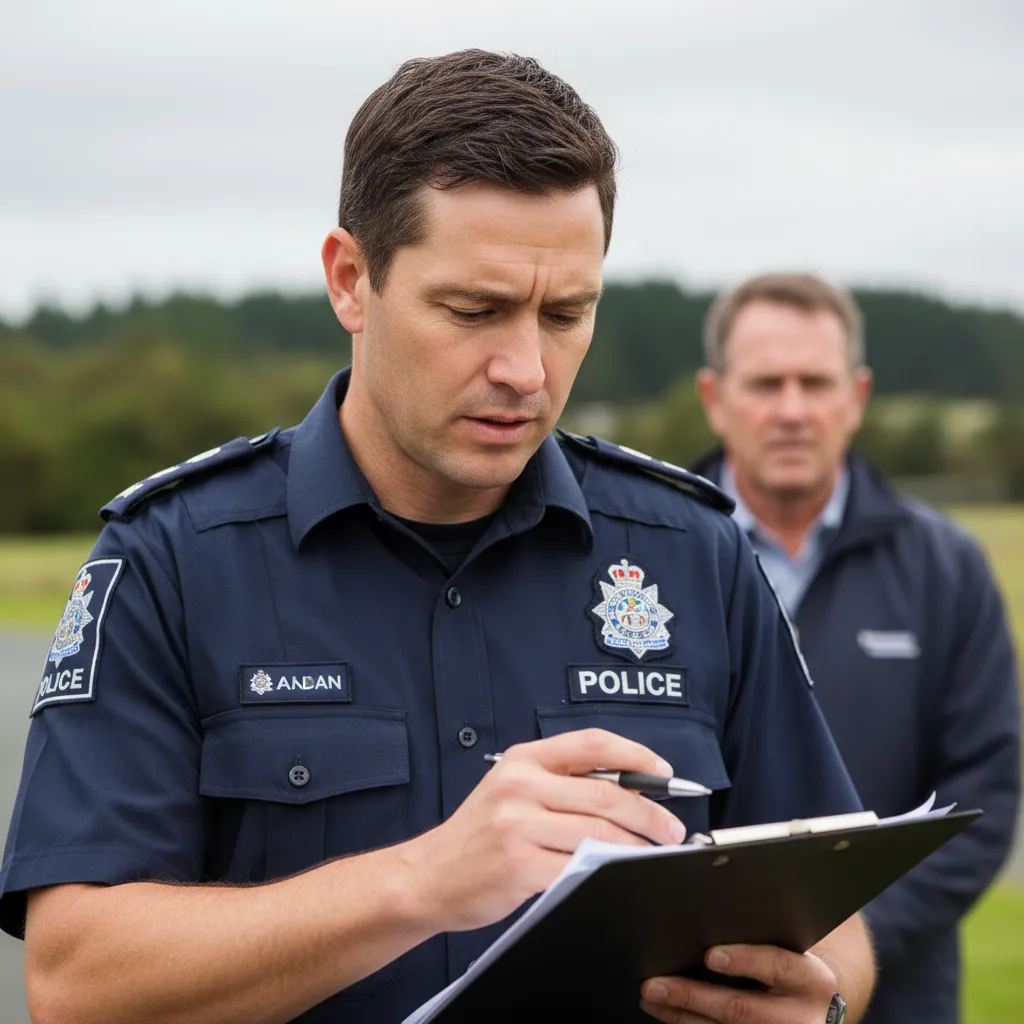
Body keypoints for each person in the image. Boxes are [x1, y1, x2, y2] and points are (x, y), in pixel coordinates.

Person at [1, 53, 874, 1024]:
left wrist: (815, 1007)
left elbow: (834, 926)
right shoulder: (174, 558)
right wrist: (421, 881)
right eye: (474, 310)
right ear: (350, 281)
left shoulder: (691, 551)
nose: (523, 368)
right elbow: (77, 984)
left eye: (565, 315)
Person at [692, 272, 1021, 1024]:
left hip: (899, 999)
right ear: (715, 397)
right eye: (766, 382)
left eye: (816, 381)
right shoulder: (646, 559)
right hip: (689, 996)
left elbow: (986, 794)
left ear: (858, 395)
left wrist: (847, 952)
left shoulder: (947, 568)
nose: (793, 410)